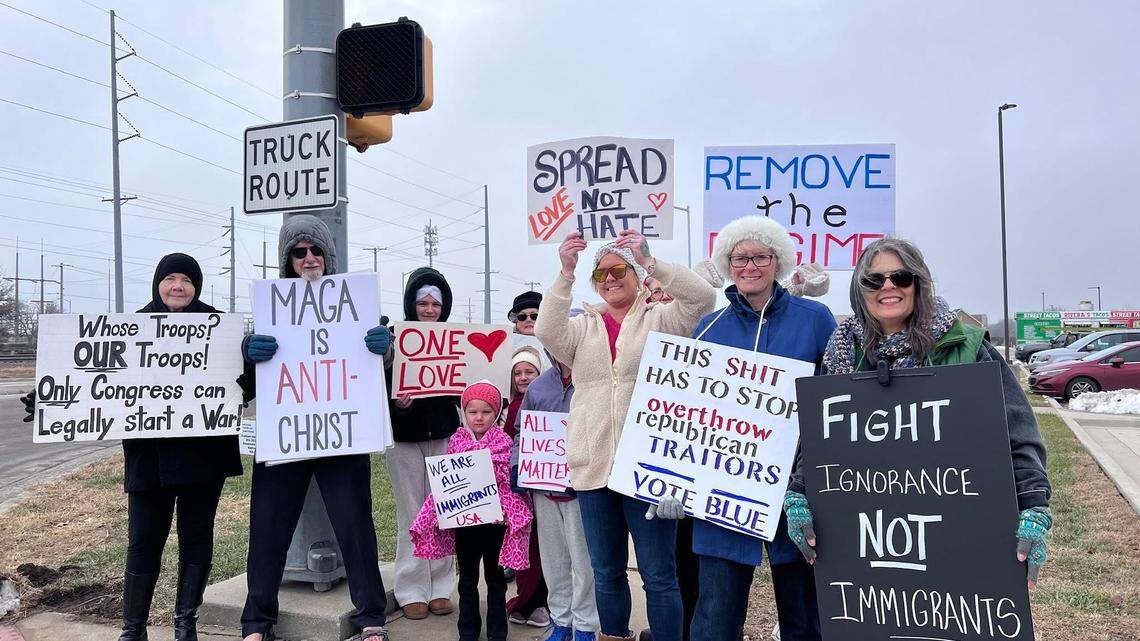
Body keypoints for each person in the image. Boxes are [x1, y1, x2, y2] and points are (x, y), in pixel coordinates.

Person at [784, 237, 1053, 588]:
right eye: (874, 280)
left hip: (955, 532)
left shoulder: (965, 347)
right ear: (860, 289)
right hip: (865, 537)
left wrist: (1034, 505)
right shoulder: (840, 355)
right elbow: (820, 438)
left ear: (919, 283)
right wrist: (799, 490)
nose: (888, 286)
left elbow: (1017, 432)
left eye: (901, 277)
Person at [19, 253, 251, 641]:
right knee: (144, 540)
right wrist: (48, 398)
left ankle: (185, 624)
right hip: (149, 457)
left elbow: (245, 383)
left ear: (197, 286)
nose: (178, 286)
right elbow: (86, 376)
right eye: (170, 278)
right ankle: (133, 629)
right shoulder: (129, 328)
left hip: (203, 457)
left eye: (187, 281)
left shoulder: (221, 330)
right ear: (158, 282)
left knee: (197, 538)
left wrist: (248, 379)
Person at [653, 217, 837, 641]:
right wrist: (670, 479)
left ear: (779, 261)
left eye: (761, 256)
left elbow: (834, 398)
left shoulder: (815, 319)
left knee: (805, 614)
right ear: (727, 263)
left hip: (797, 489)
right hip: (724, 490)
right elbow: (684, 414)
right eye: (740, 257)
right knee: (715, 615)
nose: (749, 266)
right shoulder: (709, 327)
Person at [535, 229, 717, 641]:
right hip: (593, 466)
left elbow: (703, 299)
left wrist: (653, 261)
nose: (610, 278)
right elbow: (546, 332)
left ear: (636, 275)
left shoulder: (662, 318)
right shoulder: (583, 327)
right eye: (601, 274)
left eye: (620, 270)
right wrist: (566, 272)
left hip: (649, 467)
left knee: (658, 574)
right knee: (607, 572)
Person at [238, 215, 391, 641]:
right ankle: (256, 621)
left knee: (356, 525)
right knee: (267, 526)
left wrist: (385, 350)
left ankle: (371, 617)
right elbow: (247, 386)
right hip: (285, 432)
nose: (308, 258)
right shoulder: (270, 310)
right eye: (298, 252)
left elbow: (379, 375)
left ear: (329, 256)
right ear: (287, 260)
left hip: (341, 434)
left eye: (315, 250)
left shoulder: (356, 308)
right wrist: (249, 355)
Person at [410, 380, 533, 641]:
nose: (479, 418)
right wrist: (433, 514)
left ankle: (498, 633)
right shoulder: (456, 442)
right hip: (465, 526)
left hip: (494, 526)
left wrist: (507, 511)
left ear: (497, 412)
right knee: (467, 580)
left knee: (496, 582)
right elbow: (446, 484)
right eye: (472, 411)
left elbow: (509, 486)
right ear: (464, 412)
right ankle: (467, 632)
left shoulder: (504, 443)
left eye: (486, 411)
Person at [510, 313, 600, 641]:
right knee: (553, 560)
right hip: (543, 490)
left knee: (584, 561)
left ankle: (587, 624)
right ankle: (561, 621)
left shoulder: (596, 381)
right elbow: (522, 432)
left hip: (582, 488)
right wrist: (519, 467)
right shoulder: (539, 386)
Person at [385, 267, 459, 619]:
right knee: (412, 514)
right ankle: (410, 586)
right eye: (422, 303)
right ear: (410, 304)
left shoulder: (456, 339)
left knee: (445, 510)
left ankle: (443, 585)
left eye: (435, 303)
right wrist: (394, 402)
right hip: (402, 438)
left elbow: (467, 385)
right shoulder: (393, 337)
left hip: (444, 433)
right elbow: (375, 384)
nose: (429, 309)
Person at [503, 344, 550, 627]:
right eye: (517, 373)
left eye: (529, 371)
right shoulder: (508, 408)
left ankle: (541, 603)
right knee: (524, 545)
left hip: (545, 485)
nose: (523, 377)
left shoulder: (544, 398)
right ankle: (524, 600)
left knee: (545, 547)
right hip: (519, 488)